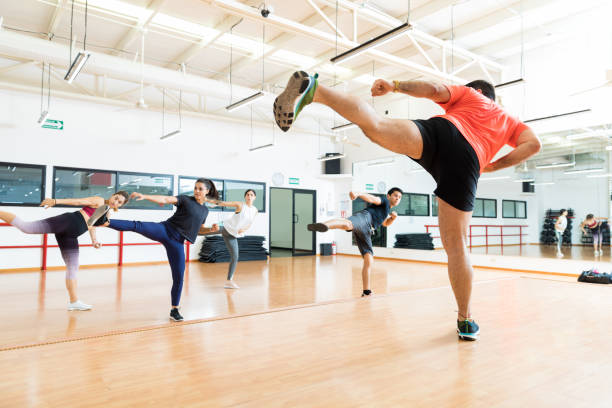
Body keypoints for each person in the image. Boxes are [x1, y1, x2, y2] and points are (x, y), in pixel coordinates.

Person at [274, 71, 541, 341]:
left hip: (440, 133)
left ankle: (316, 90)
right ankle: (465, 319)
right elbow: (533, 144)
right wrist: (494, 165)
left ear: (479, 92)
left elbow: (435, 89)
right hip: (468, 159)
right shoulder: (510, 122)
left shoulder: (470, 95)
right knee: (457, 245)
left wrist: (396, 85)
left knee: (376, 126)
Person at [106, 178, 219, 322]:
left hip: (177, 243)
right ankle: (105, 222)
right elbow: (166, 198)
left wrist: (211, 229)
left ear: (207, 191)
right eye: (195, 188)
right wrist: (146, 196)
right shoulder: (185, 200)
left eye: (200, 189)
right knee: (137, 225)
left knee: (179, 277)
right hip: (165, 230)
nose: (197, 191)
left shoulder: (205, 210)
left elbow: (198, 230)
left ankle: (174, 309)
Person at [0, 191, 129, 310]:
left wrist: (94, 240)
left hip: (71, 235)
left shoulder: (107, 213)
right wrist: (55, 201)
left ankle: (74, 302)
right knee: (27, 227)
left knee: (73, 266)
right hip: (66, 222)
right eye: (116, 198)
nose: (115, 202)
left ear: (121, 206)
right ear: (112, 195)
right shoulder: (99, 200)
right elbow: (78, 201)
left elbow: (92, 224)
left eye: (119, 202)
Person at [307, 188, 402, 297]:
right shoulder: (384, 201)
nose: (397, 198)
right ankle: (324, 225)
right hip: (365, 218)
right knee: (347, 225)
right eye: (395, 195)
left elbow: (385, 223)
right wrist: (358, 193)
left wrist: (393, 218)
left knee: (369, 259)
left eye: (399, 197)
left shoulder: (385, 211)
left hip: (367, 230)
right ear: (388, 196)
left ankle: (366, 291)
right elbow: (373, 198)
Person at [202, 189, 259, 289]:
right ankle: (186, 232)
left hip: (232, 234)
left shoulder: (255, 210)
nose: (249, 196)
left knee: (235, 256)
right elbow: (223, 203)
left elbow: (250, 223)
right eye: (247, 195)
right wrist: (208, 200)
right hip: (224, 227)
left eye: (251, 195)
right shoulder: (240, 205)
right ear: (245, 197)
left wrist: (244, 229)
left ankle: (229, 281)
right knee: (203, 232)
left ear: (254, 197)